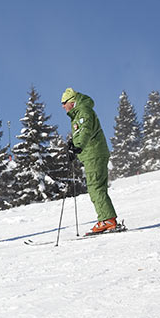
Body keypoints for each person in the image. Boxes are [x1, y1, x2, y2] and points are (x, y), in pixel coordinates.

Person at [61, 87, 119, 234]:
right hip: (92, 154)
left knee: (95, 188)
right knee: (96, 187)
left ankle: (107, 220)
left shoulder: (84, 112)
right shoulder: (80, 112)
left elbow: (85, 129)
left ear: (72, 102)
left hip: (94, 154)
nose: (63, 106)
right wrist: (73, 144)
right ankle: (106, 219)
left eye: (64, 103)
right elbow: (81, 132)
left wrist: (77, 146)